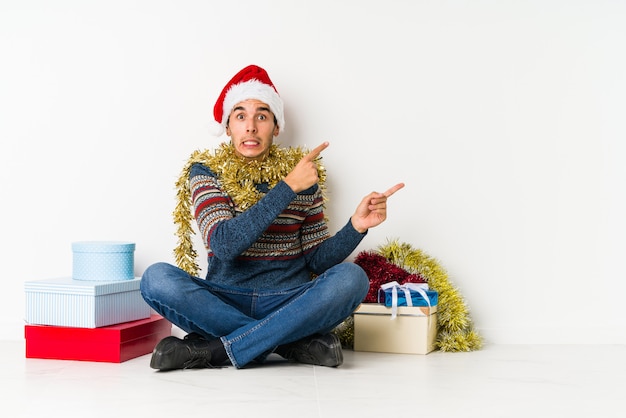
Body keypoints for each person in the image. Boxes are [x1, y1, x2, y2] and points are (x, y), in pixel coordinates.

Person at [140, 64, 404, 370]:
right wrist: (287, 187)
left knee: (352, 278)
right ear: (228, 127)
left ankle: (217, 350)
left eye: (261, 116)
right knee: (156, 278)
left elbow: (316, 261)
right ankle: (290, 342)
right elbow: (225, 244)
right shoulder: (206, 172)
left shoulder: (304, 178)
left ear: (276, 127)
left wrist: (356, 226)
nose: (250, 126)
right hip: (224, 299)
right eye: (240, 116)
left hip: (289, 299)